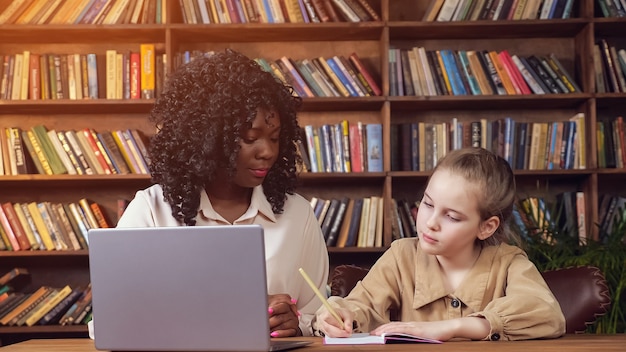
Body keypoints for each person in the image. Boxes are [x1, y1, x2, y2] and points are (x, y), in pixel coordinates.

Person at [117, 49, 329, 337]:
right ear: (208, 139)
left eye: (275, 138)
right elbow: (113, 318)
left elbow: (319, 316)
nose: (267, 152)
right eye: (250, 138)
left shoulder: (298, 215)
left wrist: (297, 324)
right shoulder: (151, 210)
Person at [314, 147, 566, 341]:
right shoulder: (402, 255)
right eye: (428, 203)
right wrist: (336, 313)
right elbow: (360, 305)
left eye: (452, 216)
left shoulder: (508, 261)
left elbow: (546, 313)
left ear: (486, 227)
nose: (430, 222)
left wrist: (451, 327)